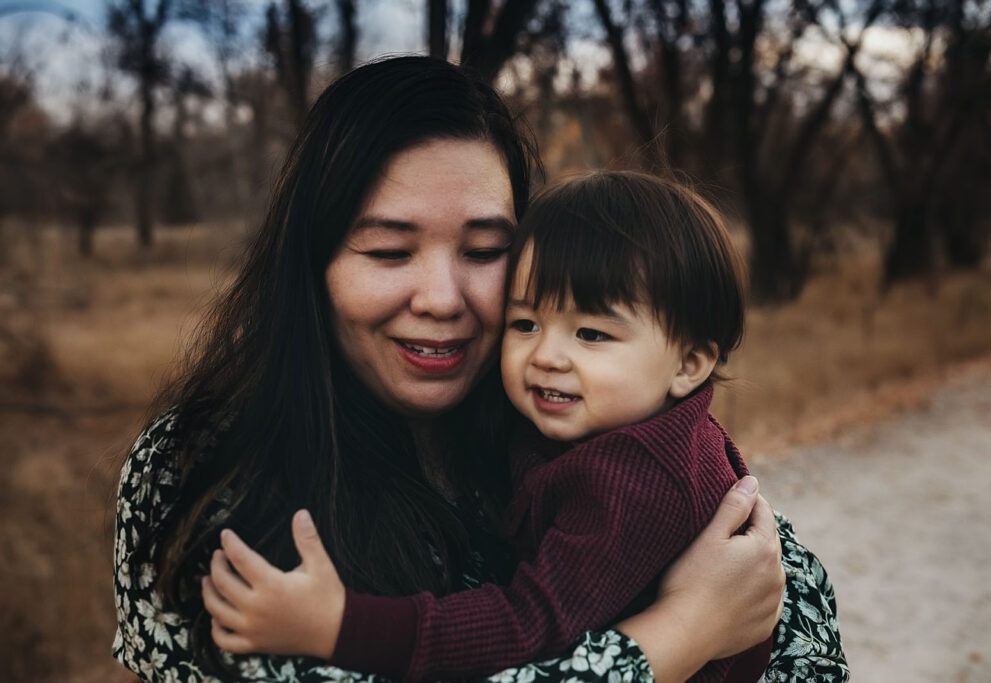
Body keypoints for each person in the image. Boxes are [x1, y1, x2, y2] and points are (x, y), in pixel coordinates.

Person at [112, 56, 847, 683]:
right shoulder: (198, 469)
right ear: (313, 267)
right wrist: (678, 635)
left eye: (485, 250)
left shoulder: (567, 416)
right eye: (389, 251)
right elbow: (721, 602)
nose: (442, 300)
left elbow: (792, 613)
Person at [201, 171, 773, 683]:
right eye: (525, 322)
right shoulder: (618, 421)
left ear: (689, 364)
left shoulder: (634, 482)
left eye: (592, 334)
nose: (545, 356)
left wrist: (339, 626)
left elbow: (528, 628)